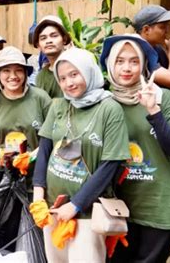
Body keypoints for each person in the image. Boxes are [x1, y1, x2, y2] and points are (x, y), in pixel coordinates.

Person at [31, 47, 130, 262]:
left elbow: (110, 165)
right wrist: (38, 197)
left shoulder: (109, 109)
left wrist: (75, 204)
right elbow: (45, 149)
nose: (69, 83)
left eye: (74, 74)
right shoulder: (58, 105)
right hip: (52, 208)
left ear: (88, 72)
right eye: (63, 78)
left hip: (87, 212)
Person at [100, 34, 170, 263]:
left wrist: (154, 110)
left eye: (134, 61)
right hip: (117, 208)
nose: (126, 68)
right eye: (120, 61)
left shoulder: (164, 97)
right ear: (109, 63)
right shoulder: (101, 101)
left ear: (143, 64)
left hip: (159, 207)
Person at [0, 46, 51, 174]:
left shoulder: (41, 98)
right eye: (6, 71)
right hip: (6, 174)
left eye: (18, 70)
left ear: (25, 73)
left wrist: (32, 157)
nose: (13, 76)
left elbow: (52, 135)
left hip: (38, 171)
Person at [133, 5, 170, 90]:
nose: (167, 31)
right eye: (162, 27)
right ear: (146, 30)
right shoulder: (139, 52)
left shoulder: (157, 48)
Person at [32, 15, 72, 98]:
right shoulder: (41, 76)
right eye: (43, 38)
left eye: (54, 36)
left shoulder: (77, 67)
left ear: (64, 39)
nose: (49, 41)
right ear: (38, 45)